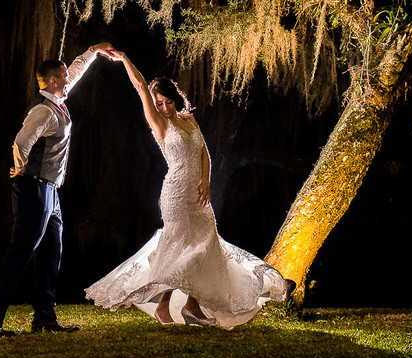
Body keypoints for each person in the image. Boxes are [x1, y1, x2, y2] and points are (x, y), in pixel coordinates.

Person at [85, 51, 293, 328]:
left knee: (205, 245)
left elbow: (204, 152)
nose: (164, 107)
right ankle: (179, 306)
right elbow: (139, 86)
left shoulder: (189, 120)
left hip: (198, 193)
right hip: (175, 193)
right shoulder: (160, 123)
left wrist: (206, 180)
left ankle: (184, 305)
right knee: (185, 248)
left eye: (168, 102)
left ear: (176, 98)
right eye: (159, 103)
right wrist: (124, 58)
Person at [0, 42, 115, 337]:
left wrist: (94, 51)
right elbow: (21, 141)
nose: (68, 79)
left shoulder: (57, 101)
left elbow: (75, 71)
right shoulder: (44, 111)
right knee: (22, 250)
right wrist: (20, 166)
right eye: (63, 76)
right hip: (34, 188)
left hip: (50, 191)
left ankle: (45, 318)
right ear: (53, 81)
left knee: (52, 251)